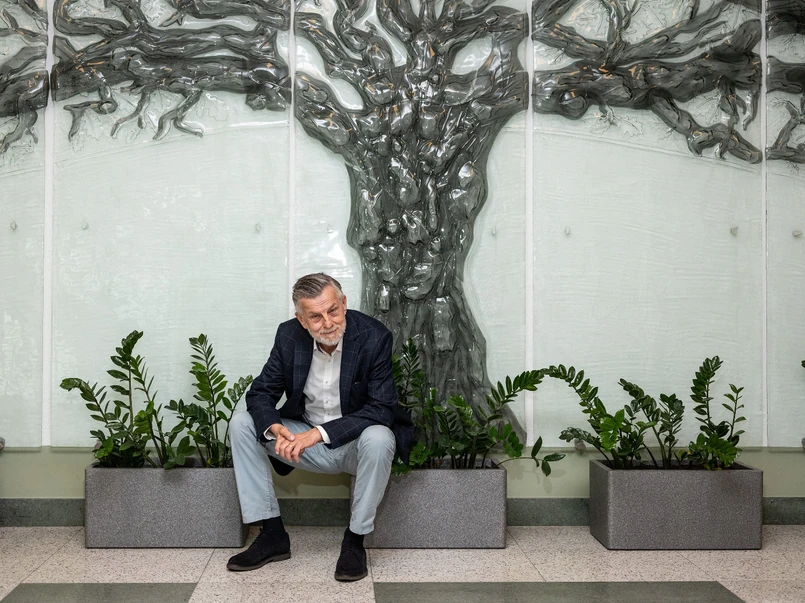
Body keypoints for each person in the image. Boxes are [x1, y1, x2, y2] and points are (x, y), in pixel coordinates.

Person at [227, 273, 413, 581]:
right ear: (301, 320)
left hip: (355, 445)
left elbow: (381, 408)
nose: (327, 323)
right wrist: (275, 428)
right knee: (243, 423)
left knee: (380, 437)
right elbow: (260, 393)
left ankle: (354, 542)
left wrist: (317, 435)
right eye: (315, 316)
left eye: (333, 311)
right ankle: (272, 534)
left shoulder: (373, 336)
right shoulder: (288, 336)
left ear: (344, 303)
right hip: (301, 441)